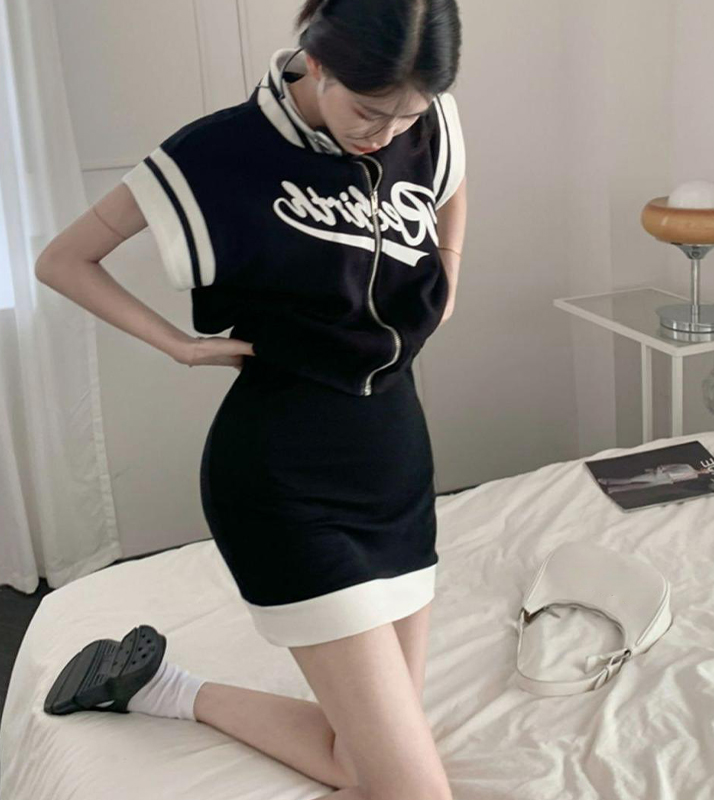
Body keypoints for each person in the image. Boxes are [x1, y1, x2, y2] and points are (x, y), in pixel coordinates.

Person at [36, 0, 466, 798]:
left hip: (399, 471)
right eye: (369, 112)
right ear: (319, 61)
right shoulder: (218, 151)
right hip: (285, 487)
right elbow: (63, 260)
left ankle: (168, 689)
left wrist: (450, 271)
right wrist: (178, 344)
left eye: (407, 117)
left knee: (361, 761)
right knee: (414, 789)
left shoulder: (425, 119)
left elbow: (452, 183)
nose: (386, 135)